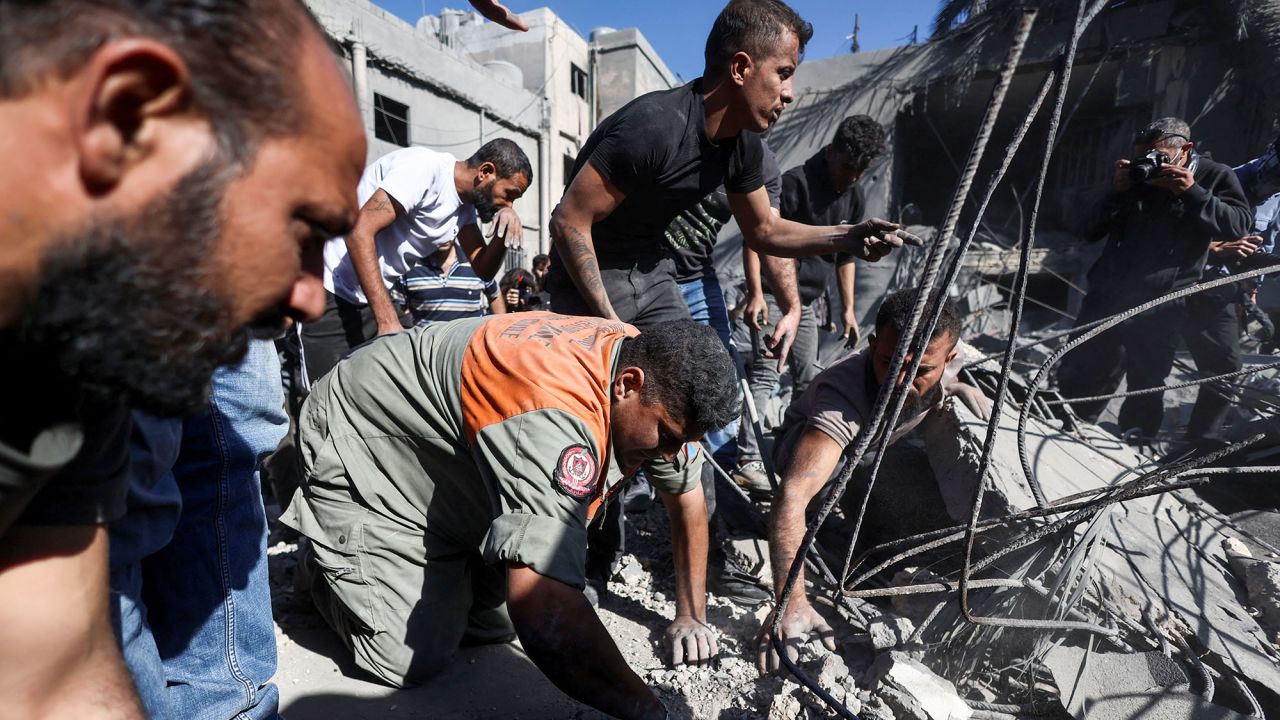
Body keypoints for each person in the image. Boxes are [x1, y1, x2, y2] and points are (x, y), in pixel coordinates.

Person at [0, 1, 367, 716]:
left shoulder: (89, 348)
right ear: (131, 115)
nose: (312, 300)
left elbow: (54, 676)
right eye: (304, 230)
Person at [548, 0, 918, 604]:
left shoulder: (742, 146)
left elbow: (766, 231)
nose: (791, 92)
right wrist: (609, 324)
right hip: (587, 278)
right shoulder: (654, 126)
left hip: (653, 271)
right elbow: (569, 222)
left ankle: (709, 555)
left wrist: (848, 237)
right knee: (598, 418)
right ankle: (586, 558)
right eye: (786, 73)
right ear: (742, 67)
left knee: (700, 394)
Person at [284, 314, 739, 719]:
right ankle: (325, 558)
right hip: (364, 432)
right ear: (627, 384)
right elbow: (542, 612)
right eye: (667, 437)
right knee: (410, 656)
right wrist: (648, 710)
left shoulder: (651, 373)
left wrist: (691, 615)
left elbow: (687, 498)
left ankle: (429, 559)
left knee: (494, 623)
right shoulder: (554, 410)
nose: (671, 453)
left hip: (447, 456)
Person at [753, 288, 991, 674]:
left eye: (921, 371)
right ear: (874, 343)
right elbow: (791, 495)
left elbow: (939, 373)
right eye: (889, 362)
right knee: (829, 484)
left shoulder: (943, 365)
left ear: (948, 359)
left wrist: (958, 387)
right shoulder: (842, 395)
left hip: (875, 449)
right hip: (813, 451)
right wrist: (791, 603)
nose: (900, 380)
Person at [1056, 118, 1252, 440]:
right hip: (1109, 292)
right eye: (1142, 156)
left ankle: (1137, 438)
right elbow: (1086, 229)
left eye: (1157, 156)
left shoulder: (1214, 175)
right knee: (1085, 363)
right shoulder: (1134, 177)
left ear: (1185, 150)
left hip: (1162, 300)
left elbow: (1238, 224)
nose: (1148, 164)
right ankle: (1069, 425)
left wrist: (1191, 191)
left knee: (1147, 378)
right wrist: (1115, 191)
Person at [735, 115, 888, 495]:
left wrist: (848, 309)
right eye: (848, 167)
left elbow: (846, 257)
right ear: (833, 151)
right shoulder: (796, 183)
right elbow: (757, 238)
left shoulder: (852, 195)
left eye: (860, 171)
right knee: (768, 375)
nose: (853, 176)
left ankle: (794, 462)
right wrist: (755, 293)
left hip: (804, 305)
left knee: (811, 382)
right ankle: (748, 460)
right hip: (773, 296)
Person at [301, 139, 531, 385]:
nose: (509, 204)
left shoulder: (463, 209)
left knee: (372, 398)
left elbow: (483, 270)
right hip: (328, 288)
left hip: (368, 297)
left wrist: (504, 227)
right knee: (322, 398)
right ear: (486, 172)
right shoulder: (424, 169)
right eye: (509, 195)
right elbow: (358, 232)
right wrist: (388, 321)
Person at [1180, 138, 1279, 442]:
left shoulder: (1275, 197)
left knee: (1225, 367)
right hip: (1182, 280)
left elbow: (1267, 247)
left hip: (1221, 290)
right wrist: (1217, 248)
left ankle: (1197, 443)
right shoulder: (1222, 179)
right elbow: (1172, 233)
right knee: (1136, 349)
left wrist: (1250, 290)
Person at [396, 240, 502, 325]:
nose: (444, 235)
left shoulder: (475, 263)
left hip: (468, 346)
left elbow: (495, 296)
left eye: (448, 227)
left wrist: (498, 330)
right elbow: (398, 309)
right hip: (427, 348)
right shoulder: (410, 267)